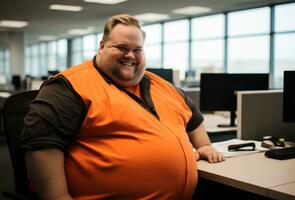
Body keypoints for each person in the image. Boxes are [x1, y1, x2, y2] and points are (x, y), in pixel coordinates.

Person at [21, 14, 225, 200]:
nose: (130, 55)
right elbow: (41, 144)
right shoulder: (70, 86)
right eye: (121, 48)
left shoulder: (162, 85)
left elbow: (193, 119)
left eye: (137, 50)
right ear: (101, 46)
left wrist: (204, 145)